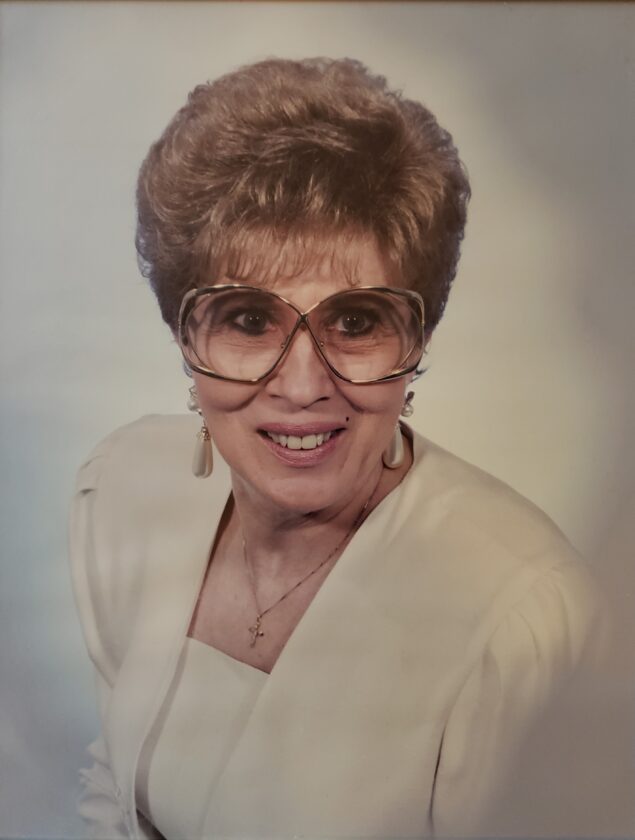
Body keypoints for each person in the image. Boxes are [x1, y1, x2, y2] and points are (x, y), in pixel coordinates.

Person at [70, 57, 607, 840]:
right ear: (185, 338)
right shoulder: (122, 492)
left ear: (417, 341)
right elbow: (116, 793)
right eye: (249, 319)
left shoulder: (521, 621)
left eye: (354, 322)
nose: (301, 386)